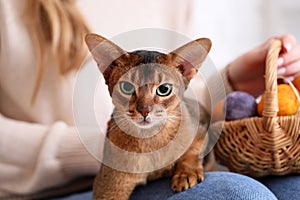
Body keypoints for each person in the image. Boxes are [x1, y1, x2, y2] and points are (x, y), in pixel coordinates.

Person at [0, 0, 299, 199]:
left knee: (294, 187)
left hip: (167, 151)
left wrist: (230, 79)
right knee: (236, 194)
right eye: (128, 90)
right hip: (51, 187)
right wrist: (101, 149)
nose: (143, 108)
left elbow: (176, 93)